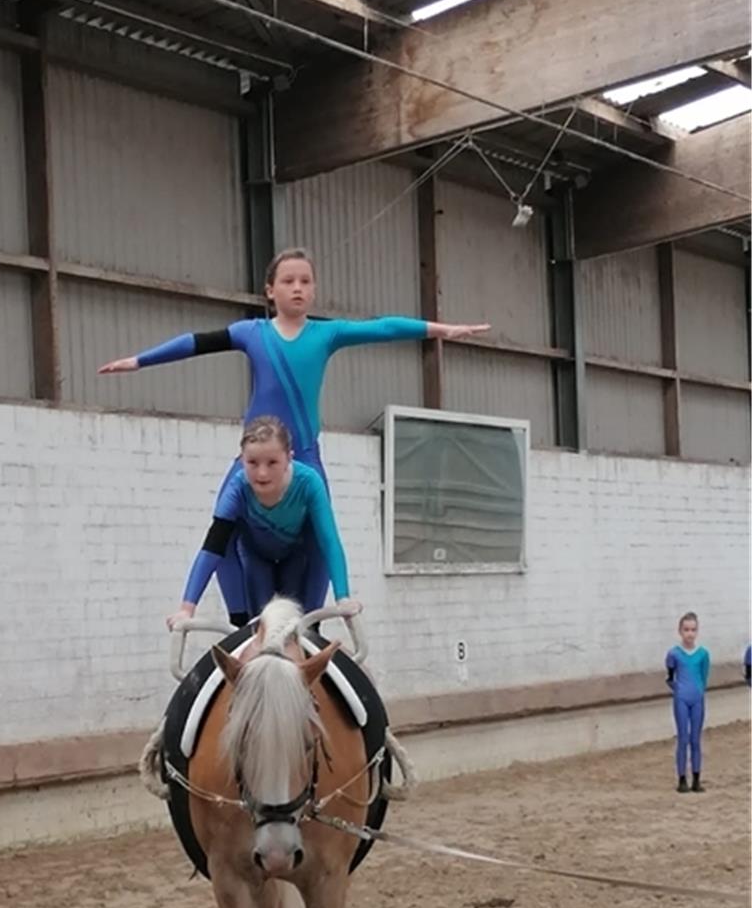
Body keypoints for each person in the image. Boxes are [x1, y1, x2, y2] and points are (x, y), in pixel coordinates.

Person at [98, 246, 491, 624]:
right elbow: (196, 342)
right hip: (256, 456)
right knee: (223, 534)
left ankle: (311, 625)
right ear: (271, 290)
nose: (298, 288)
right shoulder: (252, 333)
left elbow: (384, 327)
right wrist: (139, 361)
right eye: (288, 281)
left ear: (314, 289)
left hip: (304, 455)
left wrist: (443, 330)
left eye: (305, 280)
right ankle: (240, 622)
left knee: (319, 537)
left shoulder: (327, 334)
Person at [168, 415, 355, 628]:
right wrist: (187, 609)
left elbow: (329, 542)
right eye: (252, 463)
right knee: (254, 626)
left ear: (289, 459)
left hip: (297, 556)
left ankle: (312, 629)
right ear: (242, 461)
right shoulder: (237, 488)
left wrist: (343, 598)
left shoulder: (309, 482)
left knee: (302, 626)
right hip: (255, 556)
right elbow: (213, 548)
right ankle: (239, 621)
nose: (262, 473)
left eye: (272, 462)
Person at [665, 612, 710, 793]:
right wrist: (679, 690)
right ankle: (682, 779)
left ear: (697, 631)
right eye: (686, 629)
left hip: (697, 699)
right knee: (683, 738)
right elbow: (669, 677)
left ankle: (697, 779)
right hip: (681, 699)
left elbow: (704, 676)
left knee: (695, 740)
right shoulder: (674, 653)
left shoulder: (703, 654)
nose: (690, 633)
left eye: (693, 630)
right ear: (680, 631)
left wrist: (699, 691)